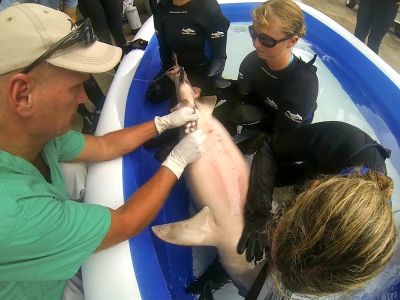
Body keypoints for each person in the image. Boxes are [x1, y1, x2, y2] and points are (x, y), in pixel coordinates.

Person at [0, 4, 205, 299]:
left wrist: (162, 123)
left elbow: (105, 145)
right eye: (75, 87)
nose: (84, 98)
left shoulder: (31, 134)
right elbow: (126, 222)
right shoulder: (17, 214)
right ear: (22, 94)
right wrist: (177, 160)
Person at [237, 121, 396, 297]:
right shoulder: (340, 139)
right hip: (312, 166)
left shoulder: (367, 256)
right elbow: (269, 146)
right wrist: (258, 214)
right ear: (311, 188)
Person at [215, 0, 318, 136]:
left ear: (292, 41)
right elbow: (241, 93)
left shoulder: (303, 86)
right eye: (253, 33)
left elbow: (284, 135)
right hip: (257, 111)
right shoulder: (252, 61)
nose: (256, 44)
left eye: (266, 39)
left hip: (285, 129)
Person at [146, 0, 230, 103]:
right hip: (179, 69)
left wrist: (201, 85)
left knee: (188, 108)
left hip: (203, 71)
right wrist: (169, 70)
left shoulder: (209, 7)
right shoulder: (161, 8)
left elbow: (219, 57)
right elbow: (164, 48)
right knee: (154, 95)